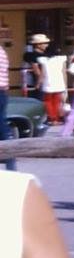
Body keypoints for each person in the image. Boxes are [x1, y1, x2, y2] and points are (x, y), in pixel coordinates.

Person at [33, 36, 67, 126]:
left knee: (48, 101)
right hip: (59, 83)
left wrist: (38, 83)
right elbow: (64, 73)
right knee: (57, 101)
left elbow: (43, 74)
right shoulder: (61, 59)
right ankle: (57, 118)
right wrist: (65, 85)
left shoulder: (44, 60)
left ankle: (51, 118)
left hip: (48, 83)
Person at [0, 40, 13, 172]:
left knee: (2, 126)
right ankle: (10, 162)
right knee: (2, 125)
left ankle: (10, 160)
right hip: (3, 91)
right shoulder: (2, 52)